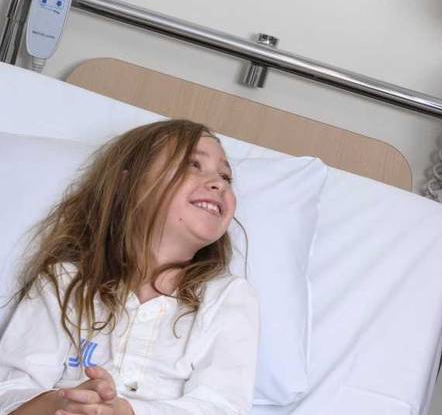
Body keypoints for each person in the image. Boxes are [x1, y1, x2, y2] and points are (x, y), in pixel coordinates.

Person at [0, 120, 259, 415]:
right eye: (193, 164)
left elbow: (223, 406)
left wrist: (126, 411)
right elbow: (9, 390)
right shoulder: (64, 282)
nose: (219, 183)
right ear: (129, 184)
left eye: (226, 176)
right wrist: (63, 401)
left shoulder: (228, 297)